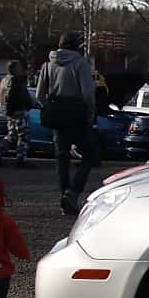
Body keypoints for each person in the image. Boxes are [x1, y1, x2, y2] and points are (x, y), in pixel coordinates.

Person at [36, 31, 100, 215]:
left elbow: (40, 95)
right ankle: (73, 192)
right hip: (77, 114)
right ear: (76, 46)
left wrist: (50, 107)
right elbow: (88, 93)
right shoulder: (81, 64)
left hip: (57, 115)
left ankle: (64, 196)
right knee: (89, 155)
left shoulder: (48, 65)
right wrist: (90, 112)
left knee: (62, 158)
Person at [0, 59, 34, 167]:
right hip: (18, 110)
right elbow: (11, 96)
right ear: (14, 69)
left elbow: (4, 96)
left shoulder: (5, 80)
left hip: (11, 111)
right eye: (19, 67)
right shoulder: (15, 80)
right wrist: (27, 105)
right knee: (23, 135)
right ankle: (21, 159)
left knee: (12, 135)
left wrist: (7, 110)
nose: (21, 69)